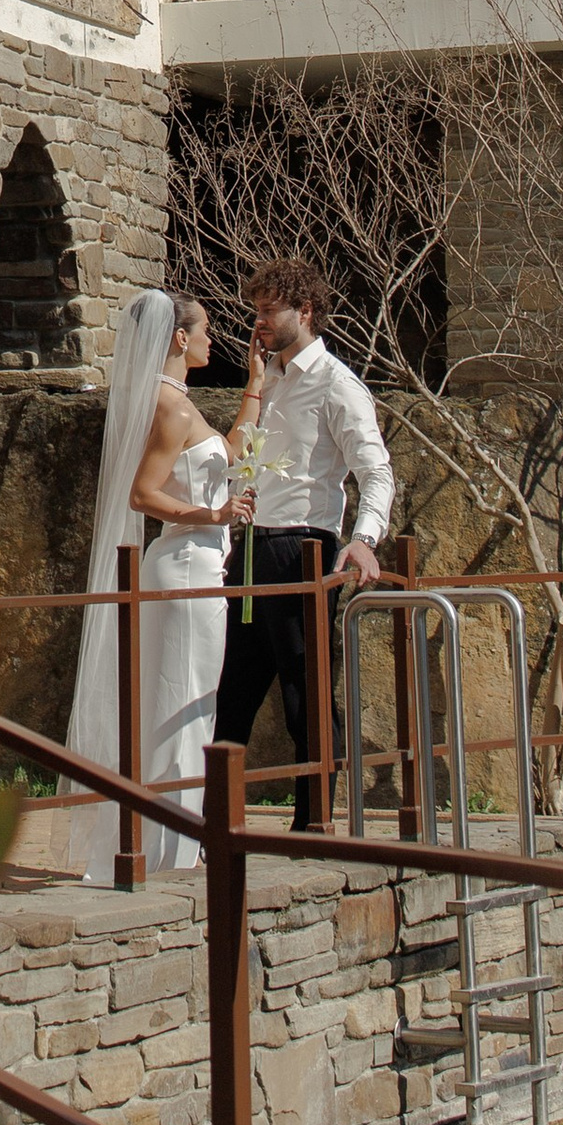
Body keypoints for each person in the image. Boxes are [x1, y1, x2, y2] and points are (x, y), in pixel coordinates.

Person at [63, 290, 258, 869]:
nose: (209, 340)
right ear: (179, 338)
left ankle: (180, 839)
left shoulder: (175, 399)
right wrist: (214, 515)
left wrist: (256, 386)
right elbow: (142, 494)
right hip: (184, 566)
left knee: (192, 702)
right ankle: (171, 846)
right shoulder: (169, 407)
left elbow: (225, 451)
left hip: (195, 564)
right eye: (202, 331)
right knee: (180, 702)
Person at [210, 257, 394, 829]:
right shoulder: (272, 380)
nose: (258, 322)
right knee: (233, 690)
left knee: (303, 689)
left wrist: (363, 539)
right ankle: (218, 821)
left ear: (305, 312)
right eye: (256, 311)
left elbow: (377, 470)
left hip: (301, 548)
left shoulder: (338, 384)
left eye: (269, 312)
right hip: (252, 550)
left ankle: (313, 819)